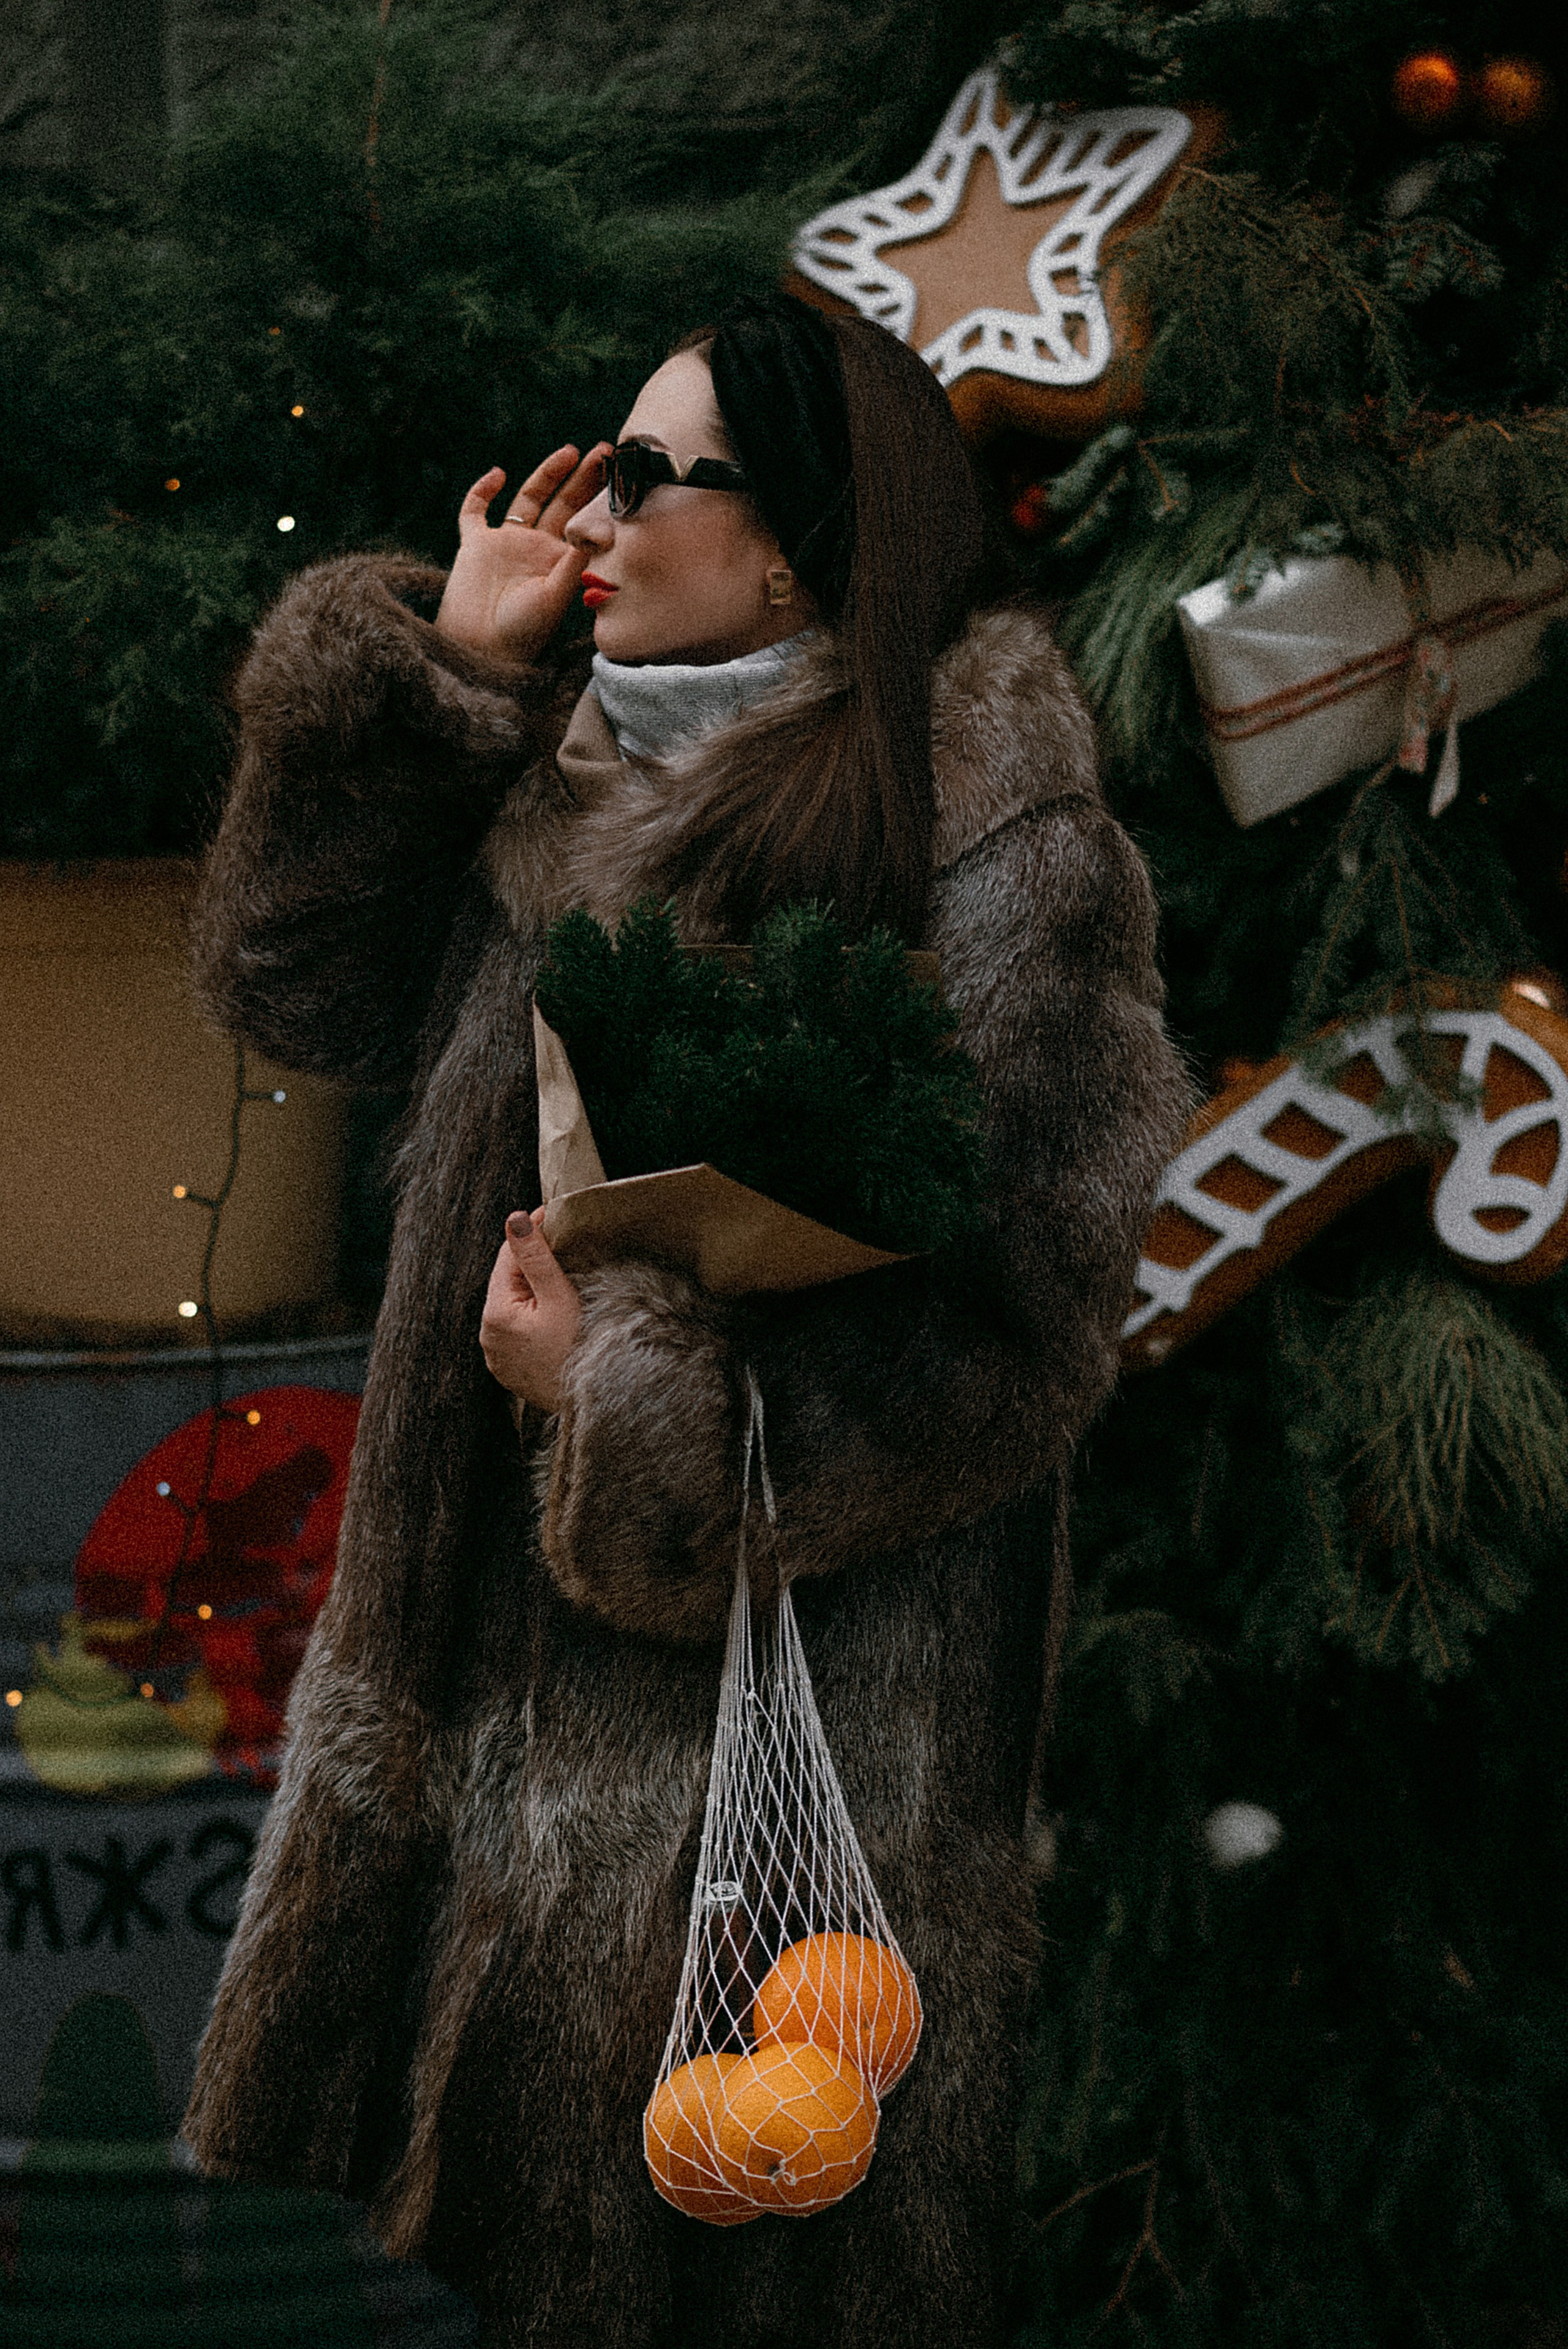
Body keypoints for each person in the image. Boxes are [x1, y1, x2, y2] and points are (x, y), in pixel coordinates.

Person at [182, 292, 1186, 2348]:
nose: (600, 514)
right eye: (599, 460)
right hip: (475, 1725)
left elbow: (1020, 1333)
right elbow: (290, 994)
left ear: (801, 537)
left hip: (790, 1784)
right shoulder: (544, 763)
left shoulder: (985, 836)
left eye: (656, 475)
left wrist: (620, 1394)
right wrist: (444, 676)